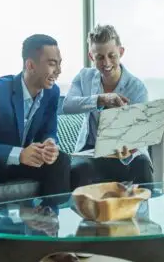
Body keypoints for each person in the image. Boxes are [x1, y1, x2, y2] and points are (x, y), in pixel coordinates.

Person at [0, 34, 71, 262]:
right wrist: (19, 154)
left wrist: (50, 144)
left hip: (27, 160)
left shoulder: (52, 92)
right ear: (30, 65)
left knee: (62, 160)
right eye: (52, 63)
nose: (58, 70)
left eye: (60, 63)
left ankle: (48, 234)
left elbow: (50, 130)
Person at [63, 24, 154, 189]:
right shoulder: (84, 77)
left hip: (126, 154)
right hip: (91, 152)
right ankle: (84, 213)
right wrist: (101, 99)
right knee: (78, 170)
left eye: (112, 55)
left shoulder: (137, 88)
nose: (106, 63)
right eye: (100, 57)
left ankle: (142, 214)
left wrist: (130, 148)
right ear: (91, 56)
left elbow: (141, 135)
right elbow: (68, 105)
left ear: (121, 52)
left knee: (142, 165)